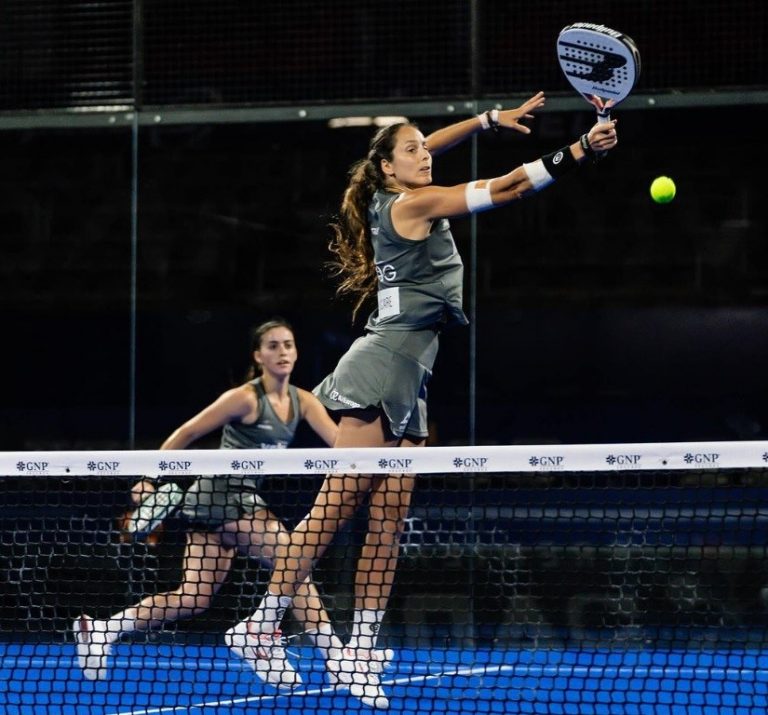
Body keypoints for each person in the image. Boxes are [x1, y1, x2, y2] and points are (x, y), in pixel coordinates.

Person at [228, 94, 619, 709]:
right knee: (333, 511)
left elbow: (429, 146)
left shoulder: (401, 181)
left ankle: (358, 651)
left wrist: (488, 121)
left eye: (423, 145)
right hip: (379, 368)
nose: (424, 153)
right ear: (388, 169)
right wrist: (578, 150)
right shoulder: (412, 203)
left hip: (413, 377)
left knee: (386, 525)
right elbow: (512, 187)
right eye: (410, 150)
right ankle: (259, 624)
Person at [72, 319, 352, 692]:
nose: (282, 352)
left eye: (288, 345)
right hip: (222, 496)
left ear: (297, 351)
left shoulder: (304, 402)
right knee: (295, 559)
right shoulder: (245, 398)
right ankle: (327, 655)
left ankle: (103, 630)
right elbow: (187, 432)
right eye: (273, 346)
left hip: (223, 505)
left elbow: (344, 447)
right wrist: (150, 477)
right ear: (258, 355)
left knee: (193, 596)